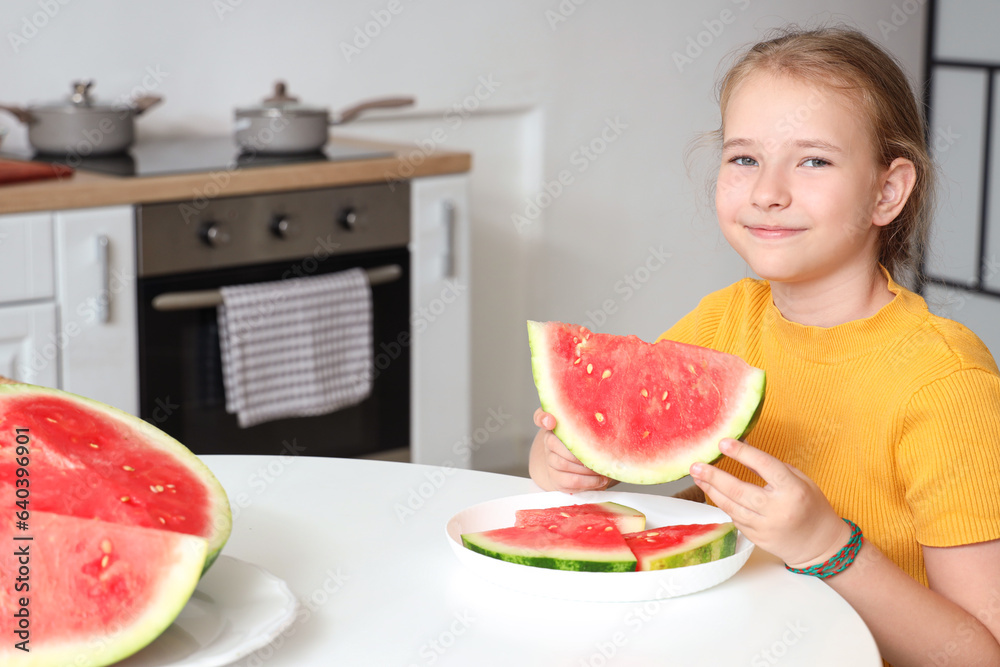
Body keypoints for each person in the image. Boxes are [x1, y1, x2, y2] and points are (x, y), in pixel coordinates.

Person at [528, 26, 1000, 666]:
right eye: (744, 158)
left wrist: (828, 548)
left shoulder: (945, 382)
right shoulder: (724, 321)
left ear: (886, 191)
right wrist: (567, 459)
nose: (767, 190)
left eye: (813, 160)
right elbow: (619, 450)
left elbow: (979, 652)